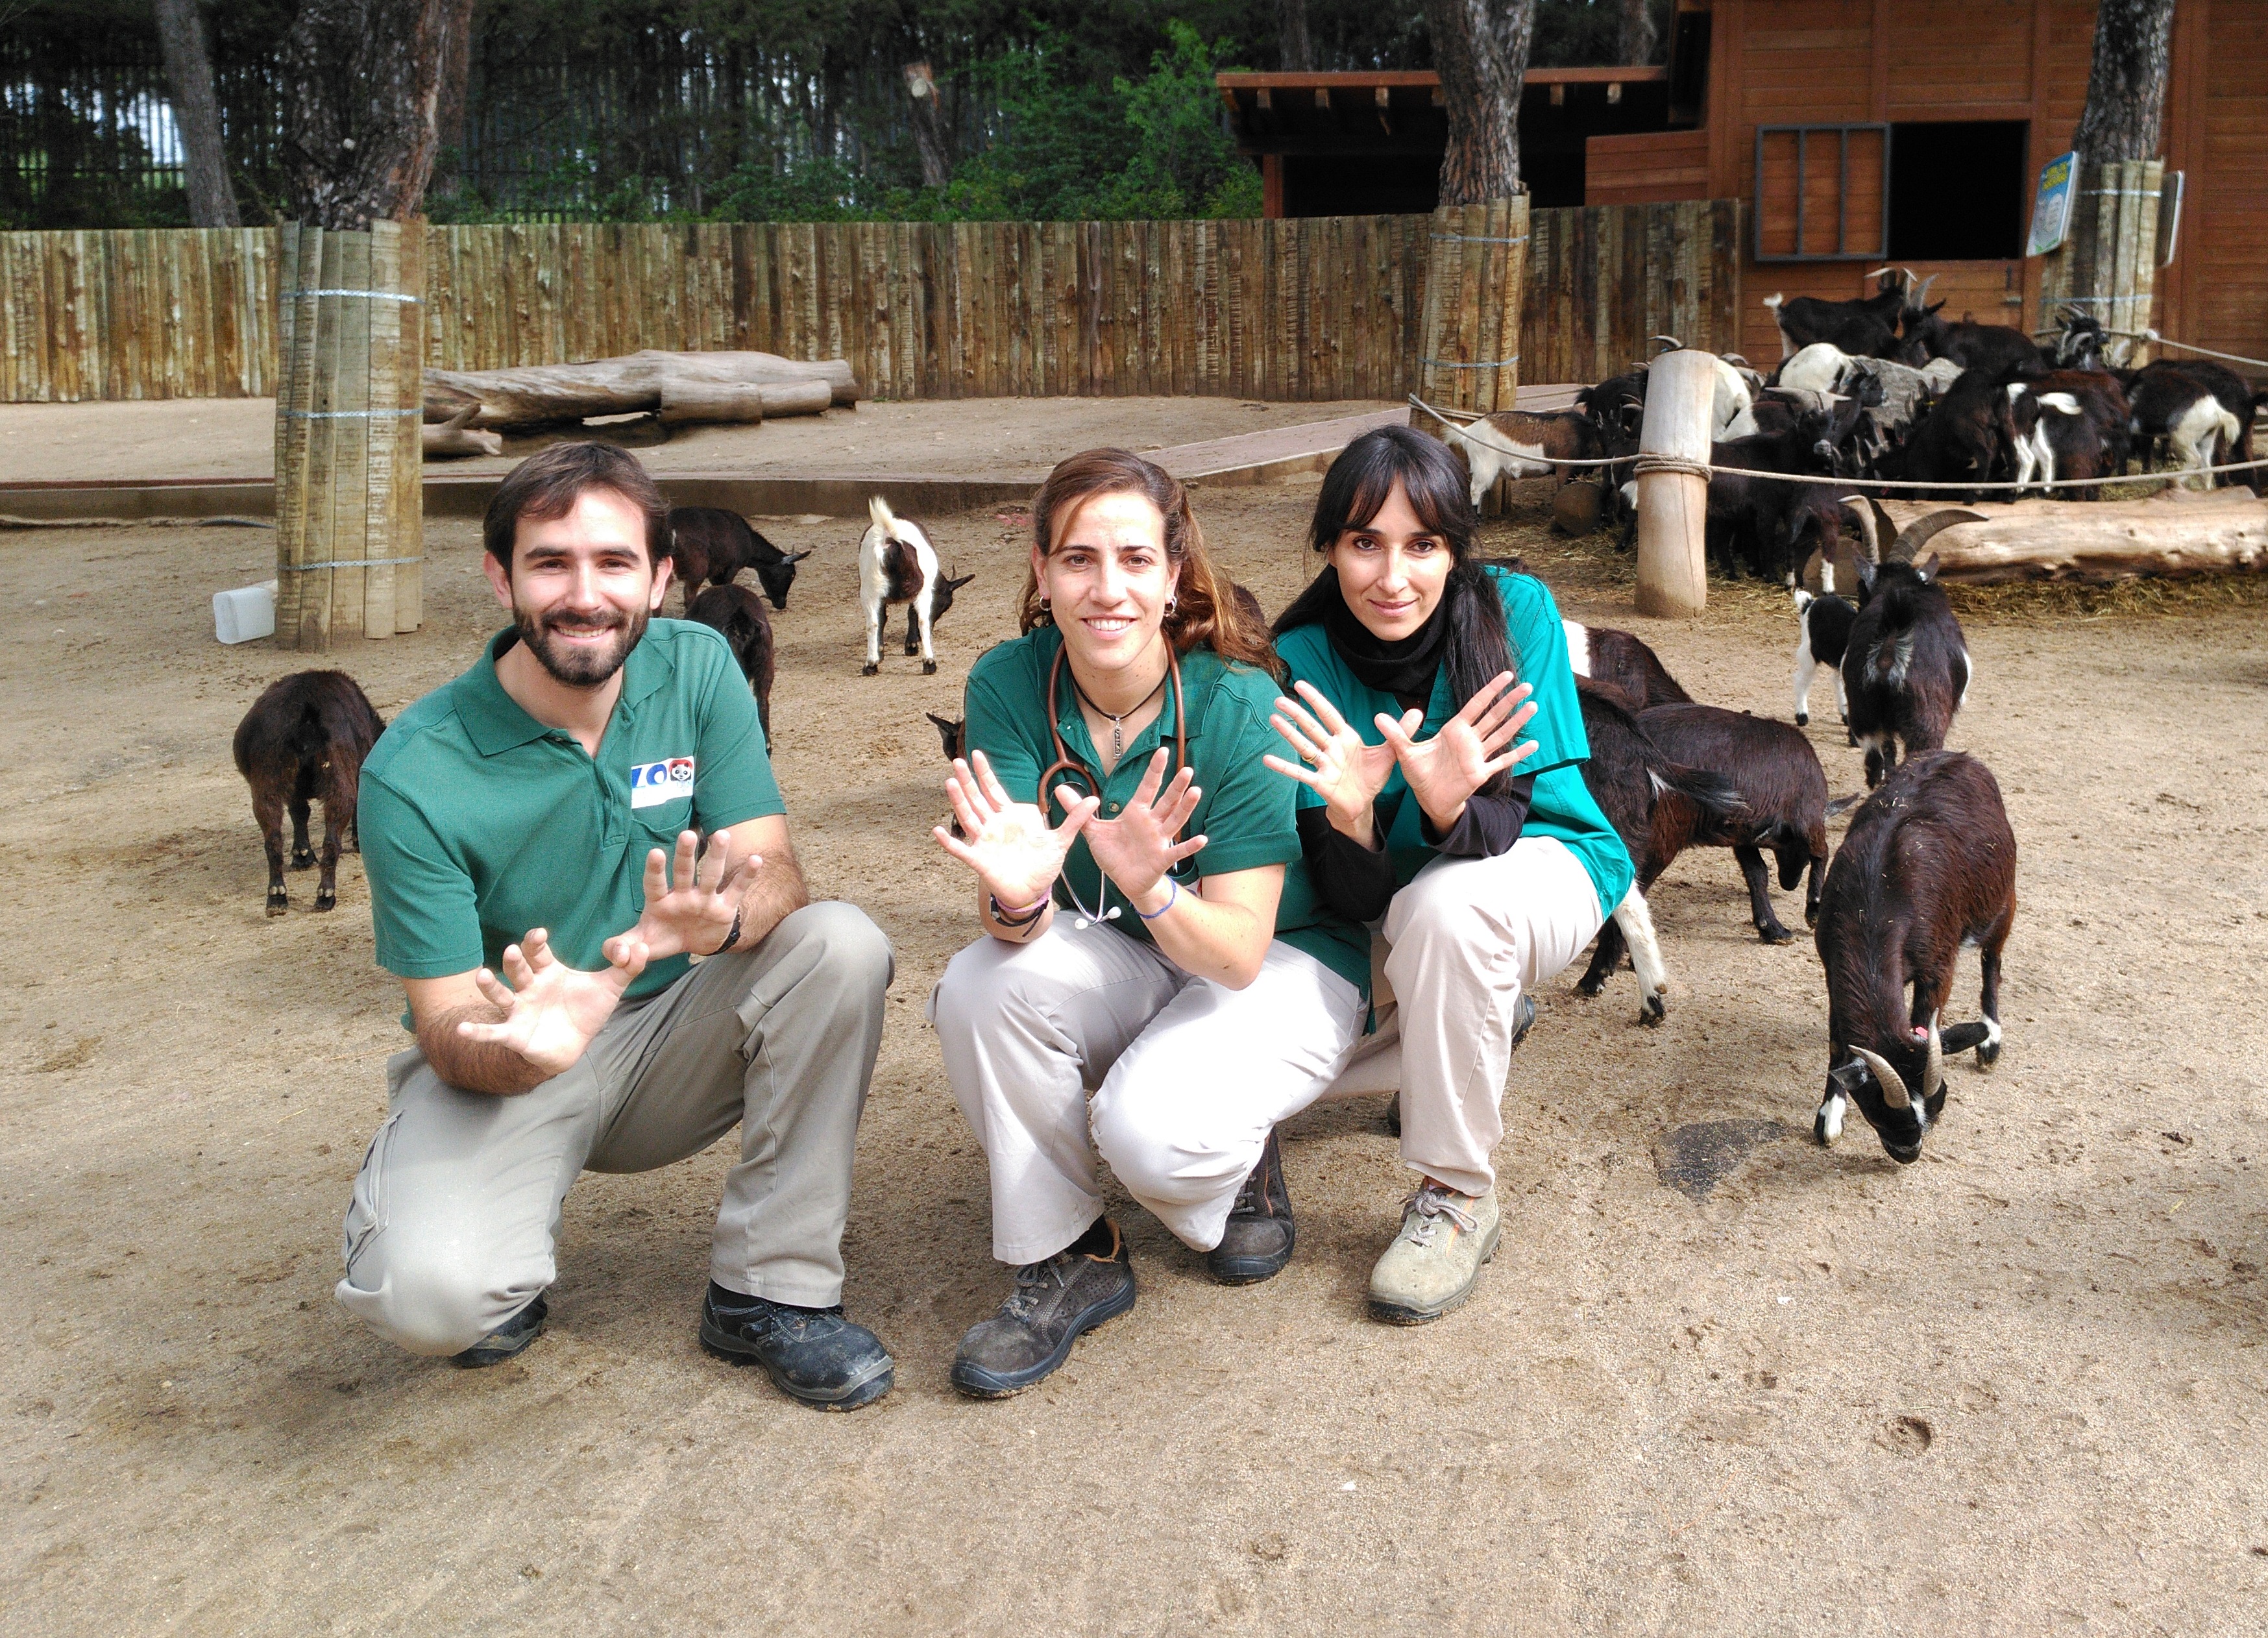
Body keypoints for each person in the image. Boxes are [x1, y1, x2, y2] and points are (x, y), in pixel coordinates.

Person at [337, 442, 897, 1411]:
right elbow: (443, 1018)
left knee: (840, 945)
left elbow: (778, 873)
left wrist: (722, 923)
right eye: (550, 562)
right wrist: (524, 1047)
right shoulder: (411, 771)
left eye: (614, 563)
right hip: (516, 1049)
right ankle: (454, 1227)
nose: (583, 595)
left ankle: (770, 1290)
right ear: (499, 576)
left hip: (673, 1030)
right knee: (432, 1307)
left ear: (663, 575)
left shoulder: (698, 665)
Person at [927, 448, 1371, 1399]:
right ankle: (1070, 1251)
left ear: (1175, 578)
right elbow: (1012, 926)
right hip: (1129, 958)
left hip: (1277, 964)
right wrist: (1014, 896)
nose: (1107, 589)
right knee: (976, 983)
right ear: (1041, 573)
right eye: (1079, 560)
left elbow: (1242, 955)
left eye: (1135, 560)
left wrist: (1157, 890)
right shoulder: (1008, 683)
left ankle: (1241, 1143)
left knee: (1156, 1136)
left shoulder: (1236, 701)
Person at [1267, 424, 1633, 1326]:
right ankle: (1477, 1015)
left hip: (1545, 860)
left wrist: (1442, 807)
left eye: (1423, 545)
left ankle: (1458, 1194)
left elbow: (1509, 817)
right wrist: (1350, 818)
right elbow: (1349, 900)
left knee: (1447, 906)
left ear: (1456, 550)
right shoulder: (1298, 659)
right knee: (1278, 1033)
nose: (1394, 578)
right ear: (1329, 548)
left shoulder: (1517, 610)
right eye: (1366, 544)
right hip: (1394, 901)